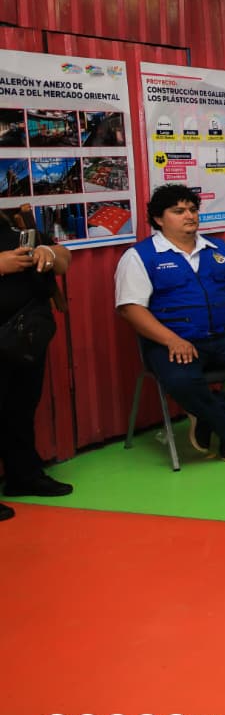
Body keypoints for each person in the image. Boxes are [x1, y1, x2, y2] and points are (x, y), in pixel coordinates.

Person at [115, 184, 225, 462]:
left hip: (223, 336)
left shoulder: (219, 249)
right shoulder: (140, 256)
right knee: (181, 381)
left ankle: (214, 413)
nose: (189, 215)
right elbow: (131, 309)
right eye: (178, 211)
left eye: (192, 209)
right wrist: (171, 340)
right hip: (173, 340)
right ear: (159, 219)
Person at [1, 207, 72, 510]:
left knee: (20, 408)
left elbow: (64, 258)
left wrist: (49, 253)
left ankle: (24, 476)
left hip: (24, 336)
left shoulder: (13, 223)